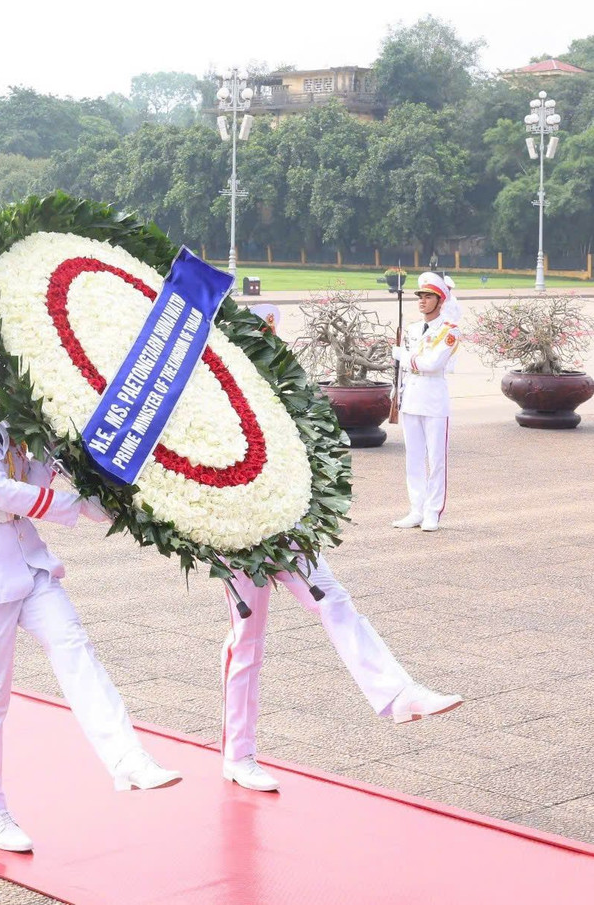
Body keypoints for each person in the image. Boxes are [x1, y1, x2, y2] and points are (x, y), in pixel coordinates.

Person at [0, 312, 180, 854]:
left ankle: (127, 757)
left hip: (31, 564)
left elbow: (40, 476)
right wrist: (67, 507)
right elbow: (3, 492)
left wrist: (117, 511)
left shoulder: (8, 424)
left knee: (76, 651)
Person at [219, 554, 465, 792]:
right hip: (237, 540)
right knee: (247, 640)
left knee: (333, 600)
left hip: (287, 530)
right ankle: (238, 755)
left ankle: (399, 693)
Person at [391, 272, 460, 533]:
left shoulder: (450, 331)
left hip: (433, 400)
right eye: (420, 295)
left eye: (428, 296)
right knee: (414, 458)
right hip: (411, 398)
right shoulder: (410, 330)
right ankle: (416, 509)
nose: (422, 300)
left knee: (436, 459)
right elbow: (403, 370)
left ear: (440, 300)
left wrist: (404, 356)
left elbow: (432, 364)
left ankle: (432, 512)